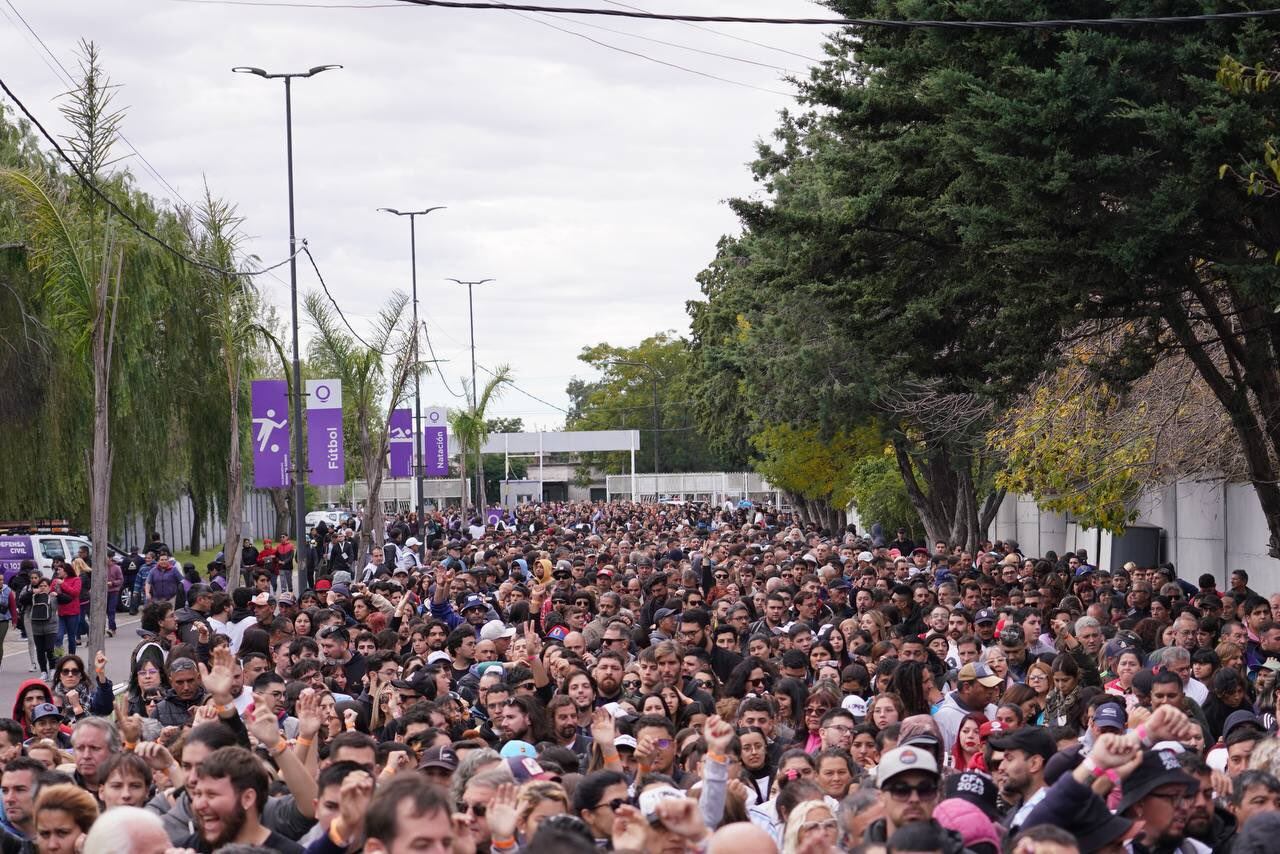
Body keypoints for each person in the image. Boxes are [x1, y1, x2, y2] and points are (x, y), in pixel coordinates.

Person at [179, 746, 305, 853]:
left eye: (212, 795)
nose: (199, 805)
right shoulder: (185, 849)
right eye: (197, 794)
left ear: (247, 798)